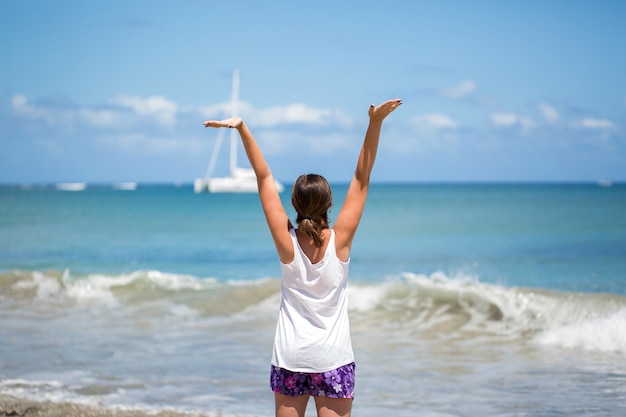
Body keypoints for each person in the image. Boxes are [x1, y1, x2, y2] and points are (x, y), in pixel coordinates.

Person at [203, 98, 402, 417]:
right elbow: (362, 177)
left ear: (294, 203)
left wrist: (242, 128)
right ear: (330, 204)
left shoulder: (287, 243)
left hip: (290, 358)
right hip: (332, 359)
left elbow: (264, 178)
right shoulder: (341, 241)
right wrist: (375, 122)